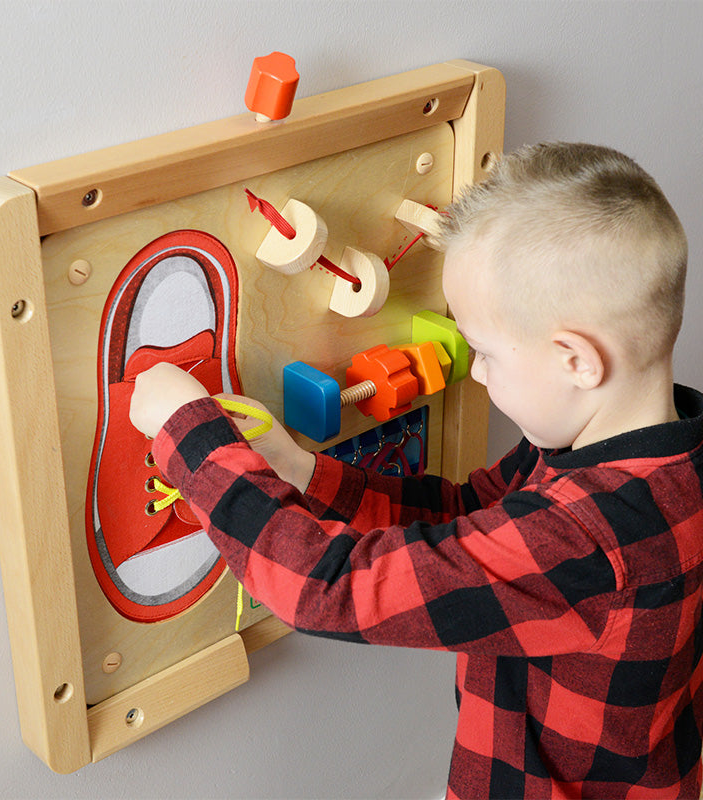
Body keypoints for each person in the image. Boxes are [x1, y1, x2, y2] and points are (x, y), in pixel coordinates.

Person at [129, 142, 702, 798]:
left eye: (485, 353)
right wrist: (301, 472)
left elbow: (329, 590)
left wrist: (190, 435)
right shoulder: (640, 452)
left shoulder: (587, 540)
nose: (476, 374)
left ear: (577, 361)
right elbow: (470, 516)